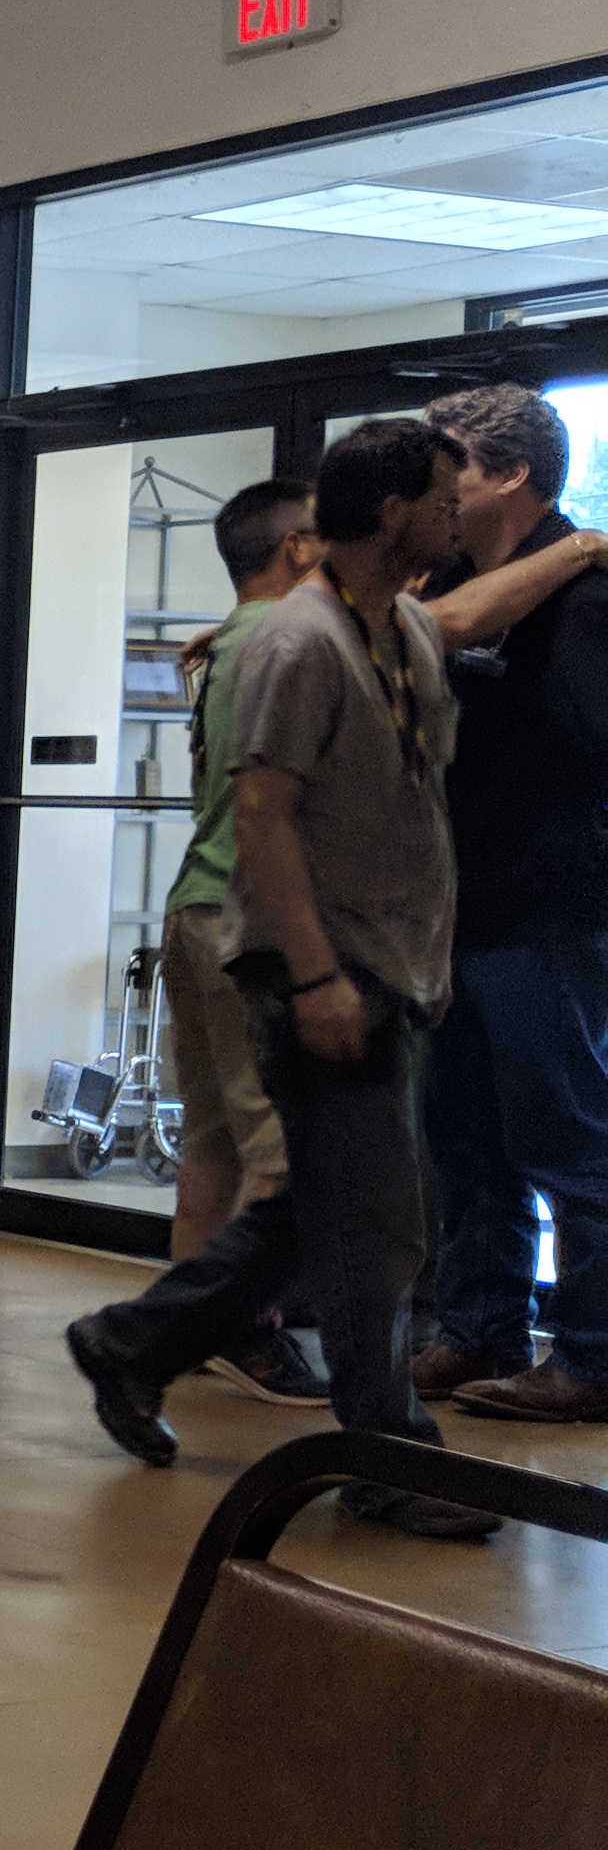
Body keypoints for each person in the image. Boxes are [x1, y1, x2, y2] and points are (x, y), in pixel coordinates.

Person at [58, 419, 506, 1540]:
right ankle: (385, 1457)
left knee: (324, 1208)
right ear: (393, 514)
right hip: (320, 972)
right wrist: (315, 980)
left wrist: (424, 960)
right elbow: (262, 817)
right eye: (443, 500)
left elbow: (417, 786)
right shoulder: (300, 643)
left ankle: (132, 1341)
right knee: (378, 1230)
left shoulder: (396, 625)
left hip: (384, 967)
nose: (456, 516)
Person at [412, 384, 608, 1426]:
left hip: (549, 915)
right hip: (457, 910)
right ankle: (478, 1327)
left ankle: (592, 1356)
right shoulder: (450, 583)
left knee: (568, 1141)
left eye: (448, 466)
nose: (430, 489)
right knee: (467, 1138)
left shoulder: (586, 597)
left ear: (512, 474)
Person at [156, 480, 332, 1407]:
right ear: (297, 548)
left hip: (197, 903)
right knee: (277, 1147)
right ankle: (244, 1327)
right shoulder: (289, 639)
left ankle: (180, 1325)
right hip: (246, 918)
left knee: (214, 1141)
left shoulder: (232, 640)